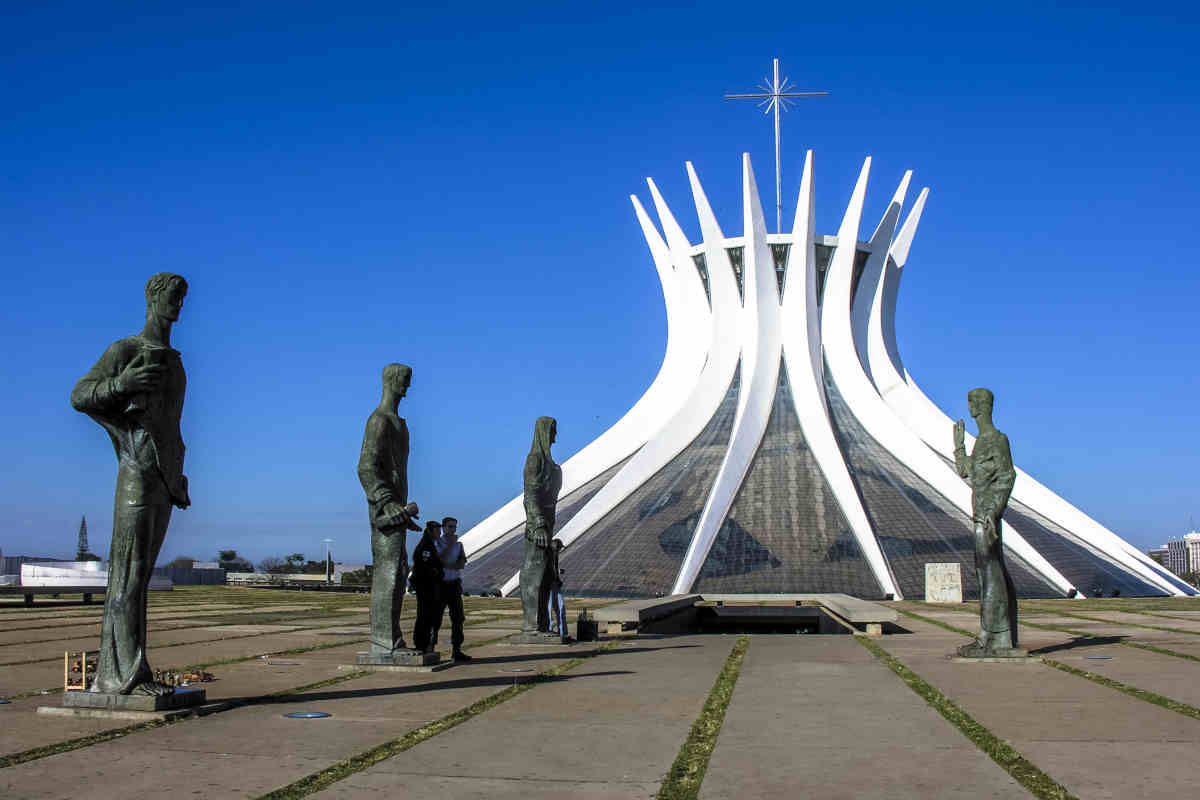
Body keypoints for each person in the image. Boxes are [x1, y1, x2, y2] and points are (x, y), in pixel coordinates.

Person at [70, 273, 191, 696]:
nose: (177, 305)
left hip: (163, 479)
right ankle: (121, 676)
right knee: (128, 576)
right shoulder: (126, 350)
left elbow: (169, 428)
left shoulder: (174, 361)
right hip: (136, 475)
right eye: (171, 297)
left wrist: (177, 475)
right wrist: (122, 384)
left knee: (138, 580)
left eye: (182, 298)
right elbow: (80, 395)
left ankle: (127, 670)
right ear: (152, 299)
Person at [357, 363, 423, 658]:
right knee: (388, 573)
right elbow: (366, 468)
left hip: (397, 510)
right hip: (385, 511)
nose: (407, 388)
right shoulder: (379, 421)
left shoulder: (399, 422)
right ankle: (384, 642)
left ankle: (392, 639)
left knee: (398, 573)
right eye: (404, 382)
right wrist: (387, 503)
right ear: (391, 381)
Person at [953, 387, 1020, 657]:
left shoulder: (997, 440)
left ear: (980, 406)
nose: (969, 407)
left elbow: (1007, 476)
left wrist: (994, 510)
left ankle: (993, 637)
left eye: (971, 402)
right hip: (979, 513)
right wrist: (959, 446)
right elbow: (966, 471)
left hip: (988, 516)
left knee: (991, 575)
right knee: (985, 575)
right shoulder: (980, 441)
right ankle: (994, 636)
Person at [521, 416, 562, 634]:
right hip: (537, 528)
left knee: (545, 577)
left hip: (547, 524)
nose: (555, 436)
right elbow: (530, 495)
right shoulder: (535, 460)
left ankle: (541, 624)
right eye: (552, 431)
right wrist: (537, 524)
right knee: (534, 575)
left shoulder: (549, 463)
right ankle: (531, 625)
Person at [434, 516, 471, 661]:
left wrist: (449, 564)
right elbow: (437, 560)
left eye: (454, 527)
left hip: (454, 584)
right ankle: (430, 647)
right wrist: (449, 546)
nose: (453, 530)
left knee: (458, 618)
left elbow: (462, 562)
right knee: (436, 618)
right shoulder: (437, 543)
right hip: (440, 585)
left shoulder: (459, 545)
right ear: (443, 528)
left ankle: (457, 650)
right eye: (450, 527)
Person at [410, 520, 444, 653]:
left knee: (428, 616)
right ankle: (422, 644)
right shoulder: (426, 547)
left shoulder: (430, 545)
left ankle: (424, 643)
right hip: (426, 586)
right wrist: (436, 573)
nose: (439, 534)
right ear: (431, 531)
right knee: (425, 615)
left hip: (428, 585)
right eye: (438, 531)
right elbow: (424, 566)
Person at [545, 538, 568, 639]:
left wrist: (557, 575)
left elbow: (553, 568)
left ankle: (562, 632)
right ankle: (549, 629)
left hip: (555, 583)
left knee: (560, 606)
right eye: (559, 549)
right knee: (548, 608)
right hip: (548, 585)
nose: (559, 551)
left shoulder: (555, 556)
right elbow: (546, 570)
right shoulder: (547, 555)